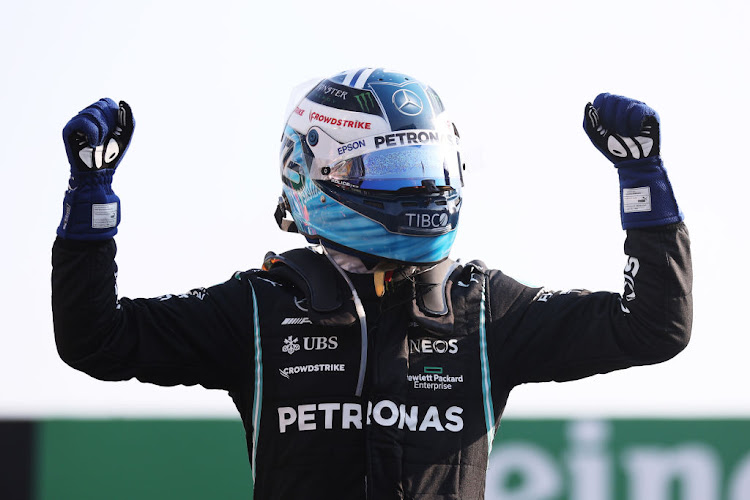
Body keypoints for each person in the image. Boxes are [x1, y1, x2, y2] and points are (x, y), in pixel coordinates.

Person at [52, 68, 692, 499]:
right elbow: (96, 339)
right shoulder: (260, 307)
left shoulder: (485, 307)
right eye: (388, 169)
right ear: (309, 171)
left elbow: (653, 329)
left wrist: (644, 184)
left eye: (426, 166)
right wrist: (90, 203)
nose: (419, 188)